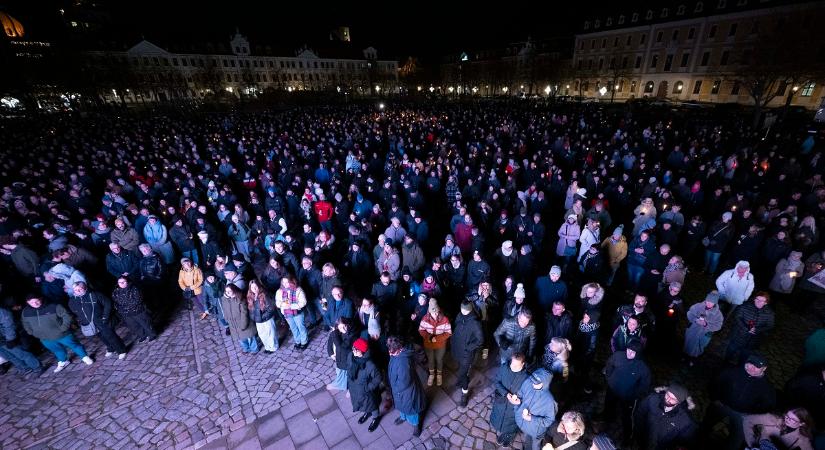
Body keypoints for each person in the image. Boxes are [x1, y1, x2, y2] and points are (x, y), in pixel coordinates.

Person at [703, 354, 777, 450]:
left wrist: (750, 414)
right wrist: (715, 399)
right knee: (706, 424)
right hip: (721, 405)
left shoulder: (767, 387)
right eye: (750, 364)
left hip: (742, 414)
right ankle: (698, 439)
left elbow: (768, 405)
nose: (751, 368)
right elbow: (715, 383)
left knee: (737, 437)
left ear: (764, 368)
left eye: (757, 367)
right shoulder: (731, 371)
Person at [21, 294, 93, 372]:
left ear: (40, 299)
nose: (35, 304)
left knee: (74, 345)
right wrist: (31, 332)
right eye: (31, 303)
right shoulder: (26, 312)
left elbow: (67, 316)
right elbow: (25, 322)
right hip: (44, 337)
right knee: (57, 350)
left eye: (37, 301)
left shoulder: (54, 306)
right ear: (28, 303)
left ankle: (85, 357)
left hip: (62, 334)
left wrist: (64, 327)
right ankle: (63, 361)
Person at [603, 339, 652, 443]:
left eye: (633, 352)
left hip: (628, 397)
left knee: (627, 416)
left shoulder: (643, 368)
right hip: (612, 389)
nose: (629, 353)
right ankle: (607, 418)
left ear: (638, 354)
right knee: (608, 405)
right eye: (628, 349)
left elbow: (644, 386)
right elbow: (609, 364)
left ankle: (628, 436)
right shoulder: (618, 355)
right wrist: (609, 378)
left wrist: (633, 395)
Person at [69, 281, 127, 359]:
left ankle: (121, 350)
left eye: (80, 289)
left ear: (85, 287)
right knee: (102, 337)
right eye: (76, 290)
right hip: (90, 323)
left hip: (101, 320)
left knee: (110, 336)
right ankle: (111, 348)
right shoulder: (72, 300)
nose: (78, 291)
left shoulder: (95, 294)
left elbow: (108, 304)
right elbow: (74, 310)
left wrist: (105, 317)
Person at [634, 384, 697, 450]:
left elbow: (686, 441)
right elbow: (640, 413)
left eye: (673, 399)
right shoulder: (652, 399)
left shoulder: (684, 420)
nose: (668, 399)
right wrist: (638, 433)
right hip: (643, 440)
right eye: (668, 395)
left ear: (679, 402)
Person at [387, 335, 427, 437]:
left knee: (411, 409)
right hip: (398, 390)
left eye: (392, 351)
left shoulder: (403, 362)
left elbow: (405, 382)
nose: (390, 352)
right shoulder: (396, 354)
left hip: (406, 391)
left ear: (399, 349)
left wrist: (395, 388)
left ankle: (416, 425)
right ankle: (403, 417)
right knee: (402, 405)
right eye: (389, 349)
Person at [490, 353, 530, 447]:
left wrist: (519, 401)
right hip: (502, 401)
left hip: (514, 407)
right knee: (500, 417)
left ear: (523, 364)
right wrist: (506, 393)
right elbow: (497, 381)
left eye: (517, 365)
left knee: (511, 423)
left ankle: (509, 435)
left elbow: (528, 396)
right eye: (512, 364)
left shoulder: (526, 377)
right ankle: (503, 431)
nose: (513, 367)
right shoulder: (504, 368)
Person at [725, 292, 775, 365]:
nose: (759, 302)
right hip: (738, 336)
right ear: (754, 299)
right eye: (757, 299)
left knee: (744, 359)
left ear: (766, 303)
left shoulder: (769, 313)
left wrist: (757, 330)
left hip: (752, 341)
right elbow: (737, 317)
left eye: (762, 301)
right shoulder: (745, 306)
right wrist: (746, 328)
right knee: (729, 353)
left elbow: (769, 326)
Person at [515, 368, 558, 450]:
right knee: (527, 439)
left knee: (536, 445)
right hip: (524, 424)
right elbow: (520, 394)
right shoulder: (528, 382)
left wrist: (531, 418)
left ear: (545, 383)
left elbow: (549, 421)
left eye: (537, 383)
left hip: (536, 431)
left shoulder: (550, 401)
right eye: (533, 380)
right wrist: (516, 404)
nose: (533, 384)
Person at [347, 337, 383, 432]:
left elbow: (378, 378)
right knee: (364, 404)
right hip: (355, 388)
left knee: (372, 405)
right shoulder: (351, 356)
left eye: (356, 349)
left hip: (366, 390)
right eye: (353, 348)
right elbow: (349, 368)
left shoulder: (370, 365)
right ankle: (368, 412)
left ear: (362, 351)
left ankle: (376, 417)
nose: (353, 350)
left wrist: (368, 387)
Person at [452, 300, 483, 407]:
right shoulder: (459, 316)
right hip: (458, 349)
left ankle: (464, 393)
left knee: (462, 373)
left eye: (465, 309)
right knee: (460, 369)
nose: (463, 311)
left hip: (466, 353)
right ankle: (462, 379)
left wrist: (469, 347)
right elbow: (456, 326)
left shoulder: (475, 323)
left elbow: (480, 340)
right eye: (462, 309)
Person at [742, 408, 814, 450]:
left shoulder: (802, 439)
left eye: (792, 419)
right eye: (787, 416)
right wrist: (751, 443)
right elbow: (748, 419)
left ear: (802, 423)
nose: (787, 419)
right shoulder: (772, 418)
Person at [111, 276, 156, 343]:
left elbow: (137, 300)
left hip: (137, 311)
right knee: (134, 326)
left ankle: (152, 335)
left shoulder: (134, 289)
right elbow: (116, 302)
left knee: (145, 323)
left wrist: (125, 306)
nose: (121, 284)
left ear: (127, 282)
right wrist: (120, 309)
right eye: (120, 282)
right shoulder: (116, 292)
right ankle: (143, 335)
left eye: (123, 282)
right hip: (126, 314)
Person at [683, 291, 724, 364]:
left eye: (711, 302)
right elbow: (689, 313)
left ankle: (693, 359)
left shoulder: (718, 314)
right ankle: (685, 356)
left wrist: (706, 325)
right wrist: (695, 320)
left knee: (699, 347)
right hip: (693, 330)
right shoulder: (698, 306)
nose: (709, 303)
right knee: (688, 343)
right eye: (708, 301)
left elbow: (718, 326)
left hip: (705, 333)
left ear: (715, 303)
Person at [418, 298, 452, 387]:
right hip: (428, 344)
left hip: (440, 345)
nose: (436, 314)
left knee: (439, 360)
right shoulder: (425, 319)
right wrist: (429, 337)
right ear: (429, 311)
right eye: (433, 312)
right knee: (431, 360)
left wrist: (437, 339)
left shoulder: (445, 319)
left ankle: (439, 375)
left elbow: (448, 332)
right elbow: (421, 330)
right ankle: (432, 374)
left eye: (437, 311)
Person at [0, 304, 41, 374]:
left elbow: (8, 324)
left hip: (6, 338)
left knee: (22, 354)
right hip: (1, 341)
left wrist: (10, 338)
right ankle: (25, 368)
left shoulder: (1, 311)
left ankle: (38, 367)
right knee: (10, 357)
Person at [220, 284, 258, 354]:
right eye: (226, 291)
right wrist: (227, 319)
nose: (227, 293)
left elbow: (244, 313)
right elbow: (224, 309)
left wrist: (244, 324)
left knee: (250, 336)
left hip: (243, 321)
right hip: (233, 323)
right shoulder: (224, 299)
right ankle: (246, 348)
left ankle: (254, 349)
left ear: (234, 291)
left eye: (229, 291)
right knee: (240, 338)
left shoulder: (240, 299)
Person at [275, 276, 309, 350]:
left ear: (291, 281)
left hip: (298, 313)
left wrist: (291, 306)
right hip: (287, 314)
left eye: (287, 282)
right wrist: (283, 305)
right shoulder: (279, 291)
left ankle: (304, 341)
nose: (285, 284)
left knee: (301, 327)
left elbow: (303, 302)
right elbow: (277, 302)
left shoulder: (298, 289)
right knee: (293, 328)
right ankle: (298, 341)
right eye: (283, 282)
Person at [326, 317, 358, 391]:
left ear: (348, 325)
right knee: (340, 373)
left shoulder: (352, 334)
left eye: (344, 326)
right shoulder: (337, 333)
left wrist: (334, 333)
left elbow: (341, 346)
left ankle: (350, 389)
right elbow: (330, 342)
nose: (343, 329)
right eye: (340, 328)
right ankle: (341, 385)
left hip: (347, 359)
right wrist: (331, 353)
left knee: (348, 375)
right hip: (340, 358)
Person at [247, 279, 278, 353]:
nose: (254, 289)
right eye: (252, 287)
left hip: (266, 319)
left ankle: (273, 347)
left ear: (259, 286)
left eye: (256, 287)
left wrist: (263, 317)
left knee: (271, 334)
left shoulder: (265, 294)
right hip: (258, 320)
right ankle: (267, 347)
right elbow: (251, 310)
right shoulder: (250, 297)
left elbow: (271, 308)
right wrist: (254, 318)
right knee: (262, 334)